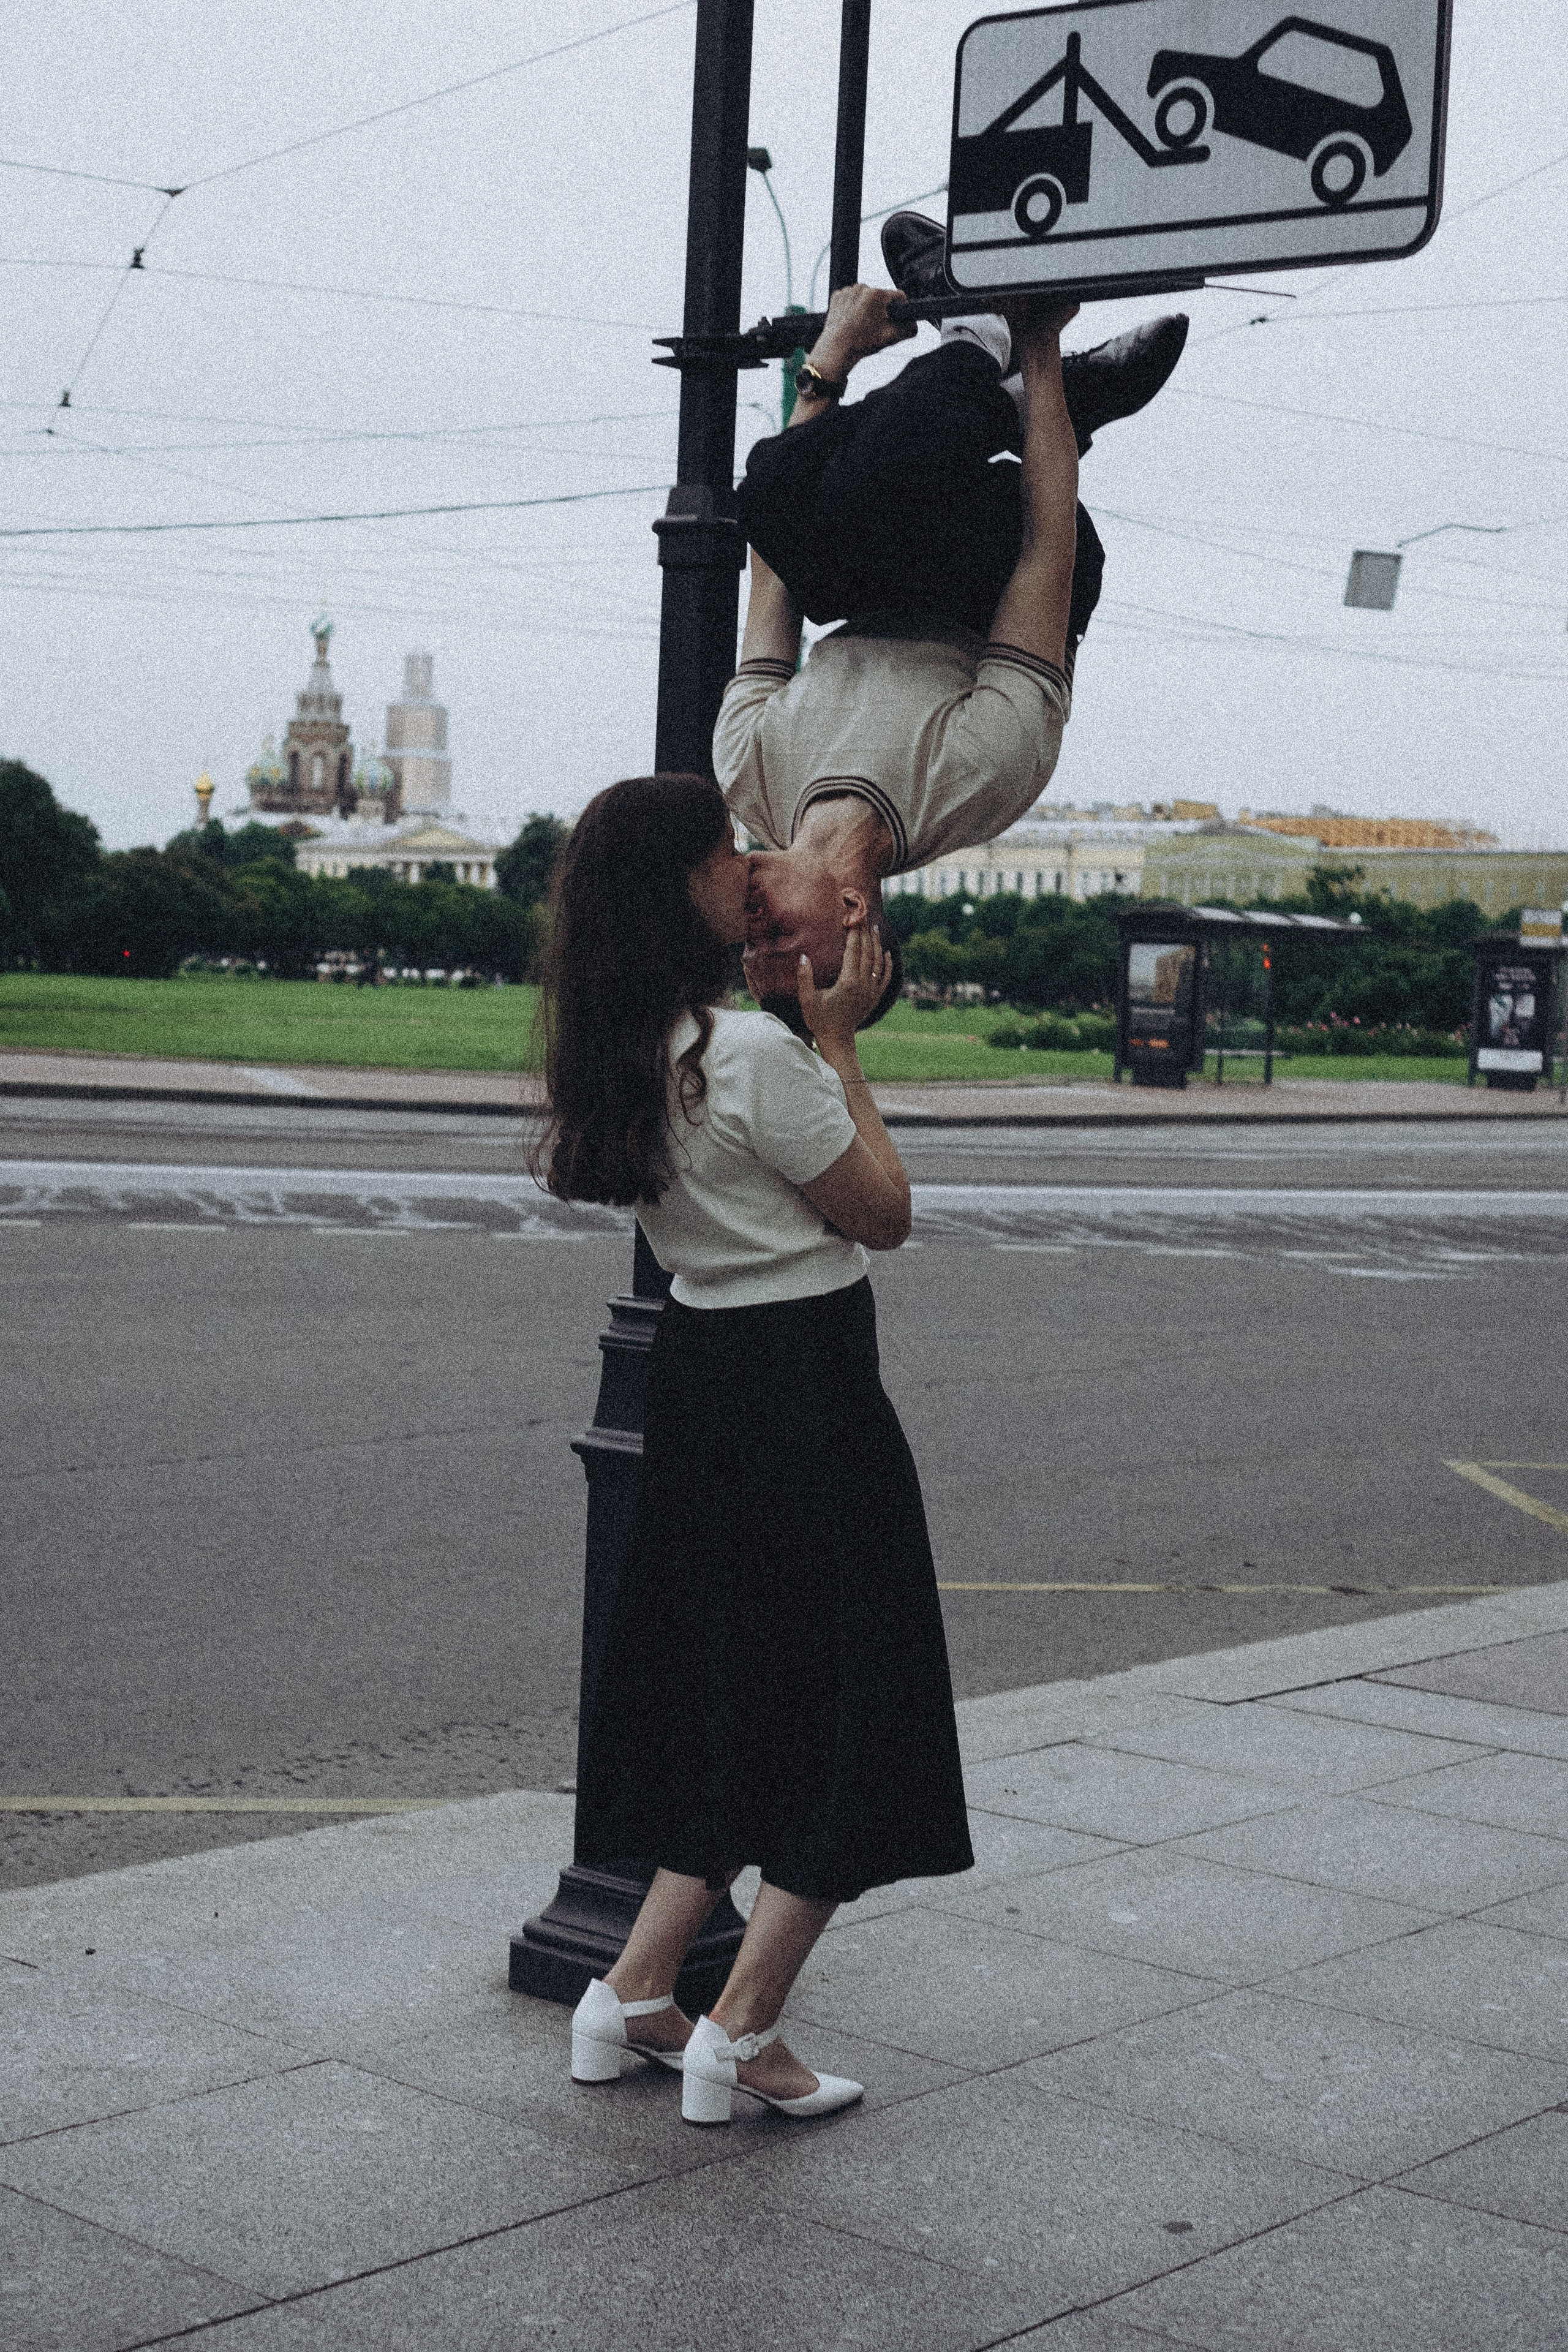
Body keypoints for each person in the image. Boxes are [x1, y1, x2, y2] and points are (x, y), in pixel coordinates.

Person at [540, 771, 973, 2126]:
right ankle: (746, 2028)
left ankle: (631, 1997)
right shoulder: (750, 1058)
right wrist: (837, 1036)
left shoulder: (625, 1052)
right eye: (725, 849)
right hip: (808, 1393)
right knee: (859, 1704)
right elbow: (883, 1214)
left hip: (700, 1387)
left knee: (736, 1700)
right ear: (680, 888)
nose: (747, 864)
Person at [716, 211, 1188, 1016]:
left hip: (880, 539)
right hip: (1002, 563)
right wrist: (1038, 341)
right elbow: (1048, 548)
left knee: (771, 496)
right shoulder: (979, 782)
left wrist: (830, 361)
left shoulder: (745, 774)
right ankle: (987, 341)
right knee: (891, 475)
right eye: (778, 944)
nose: (751, 929)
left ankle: (1011, 383)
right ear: (854, 913)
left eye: (747, 949)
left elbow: (775, 562)